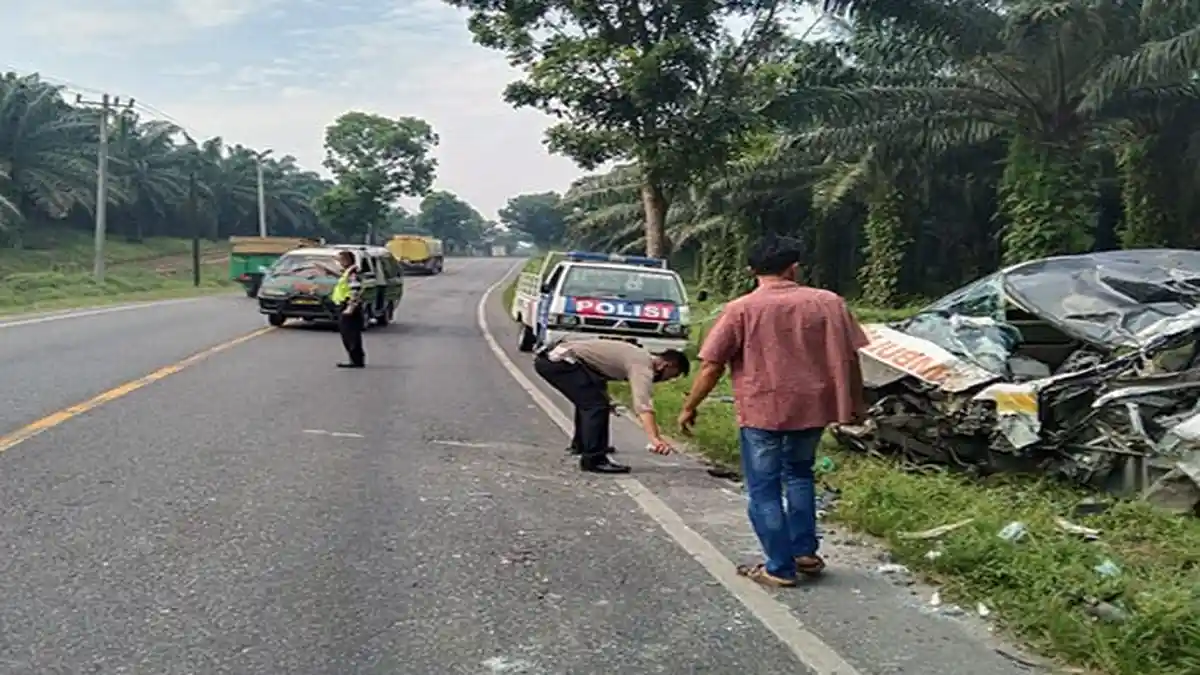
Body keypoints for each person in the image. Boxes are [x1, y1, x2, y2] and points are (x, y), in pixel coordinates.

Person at [677, 235, 868, 588]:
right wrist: (855, 403)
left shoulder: (741, 309)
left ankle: (779, 567)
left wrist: (690, 406)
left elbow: (711, 365)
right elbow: (851, 358)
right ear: (794, 268)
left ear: (752, 270)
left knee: (764, 488)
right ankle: (805, 552)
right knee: (799, 474)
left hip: (762, 410)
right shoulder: (830, 303)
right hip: (813, 409)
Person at [534, 339, 690, 474]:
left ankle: (583, 445)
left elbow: (595, 375)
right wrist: (655, 438)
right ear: (667, 365)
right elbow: (643, 406)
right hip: (560, 363)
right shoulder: (643, 366)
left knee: (593, 402)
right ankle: (594, 459)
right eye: (673, 375)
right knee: (595, 406)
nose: (668, 380)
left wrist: (607, 399)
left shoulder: (638, 355)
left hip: (558, 359)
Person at [330, 250, 366, 368]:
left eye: (340, 260)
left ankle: (356, 361)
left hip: (349, 307)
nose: (339, 263)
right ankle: (355, 360)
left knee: (351, 335)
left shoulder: (352, 273)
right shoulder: (348, 272)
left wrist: (350, 307)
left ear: (346, 260)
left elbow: (355, 291)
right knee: (348, 335)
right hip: (345, 306)